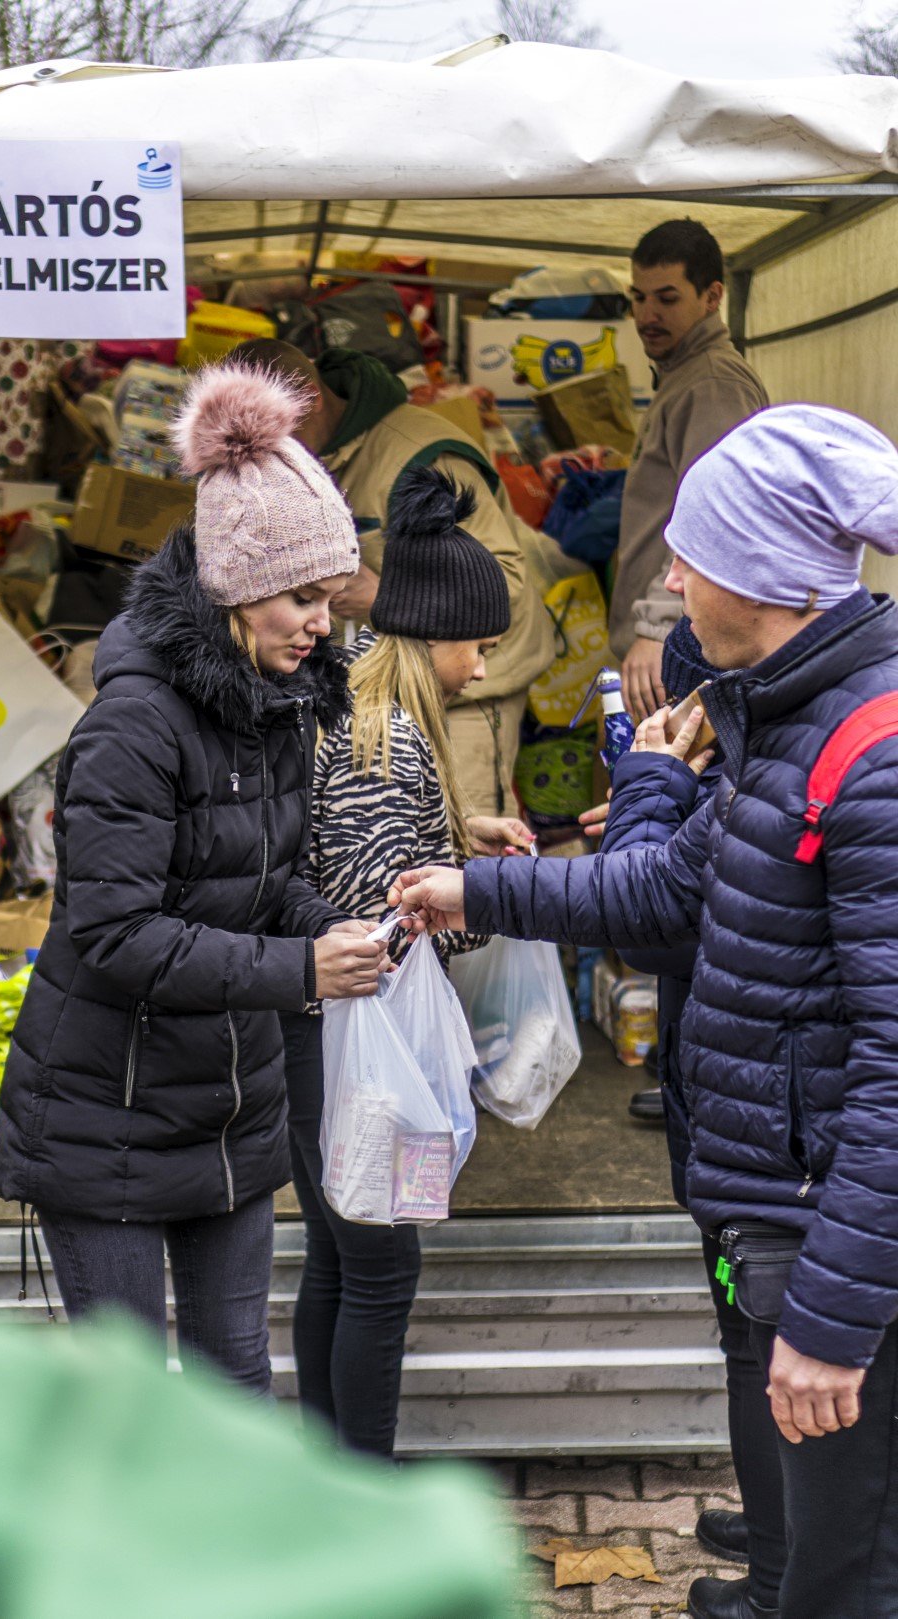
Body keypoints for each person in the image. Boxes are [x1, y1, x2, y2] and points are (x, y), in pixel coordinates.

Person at [390, 405, 898, 1619]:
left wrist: (830, 1316)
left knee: (851, 1577)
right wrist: (476, 884)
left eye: (691, 553)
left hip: (820, 1212)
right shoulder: (779, 714)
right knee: (821, 1561)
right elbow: (669, 890)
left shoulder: (866, 751)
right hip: (771, 1190)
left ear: (762, 576)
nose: (669, 576)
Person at [0, 363, 389, 1394]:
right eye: (302, 597)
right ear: (235, 587)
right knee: (131, 1412)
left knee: (236, 1384)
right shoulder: (133, 725)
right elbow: (118, 934)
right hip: (104, 1115)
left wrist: (354, 923)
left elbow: (264, 883)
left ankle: (236, 1562)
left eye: (330, 601)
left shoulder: (280, 698)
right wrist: (301, 966)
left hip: (226, 1109)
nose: (321, 625)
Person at [283, 465, 530, 1459]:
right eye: (478, 644)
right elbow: (395, 908)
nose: (481, 666)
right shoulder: (391, 736)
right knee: (381, 1275)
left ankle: (318, 1481)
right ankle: (366, 1499)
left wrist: (456, 831)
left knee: (337, 1264)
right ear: (433, 636)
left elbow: (360, 847)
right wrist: (488, 899)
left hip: (312, 1035)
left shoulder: (347, 701)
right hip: (356, 1046)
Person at [580, 617, 788, 1614]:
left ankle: (781, 1569)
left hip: (746, 1115)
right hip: (733, 1096)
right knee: (746, 1323)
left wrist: (645, 803)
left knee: (753, 1331)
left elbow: (647, 918)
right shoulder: (758, 766)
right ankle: (781, 1520)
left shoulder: (747, 781)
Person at [229, 337, 558, 818]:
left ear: (309, 397)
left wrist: (378, 597)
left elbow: (503, 584)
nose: (269, 452)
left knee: (461, 845)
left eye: (274, 433)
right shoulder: (310, 453)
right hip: (384, 688)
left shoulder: (421, 456)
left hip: (467, 690)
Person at [612, 218, 768, 721]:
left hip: (679, 651)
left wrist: (656, 626)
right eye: (638, 297)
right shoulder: (685, 376)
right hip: (672, 647)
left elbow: (718, 515)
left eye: (667, 298)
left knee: (661, 796)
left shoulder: (713, 384)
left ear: (712, 296)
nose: (647, 314)